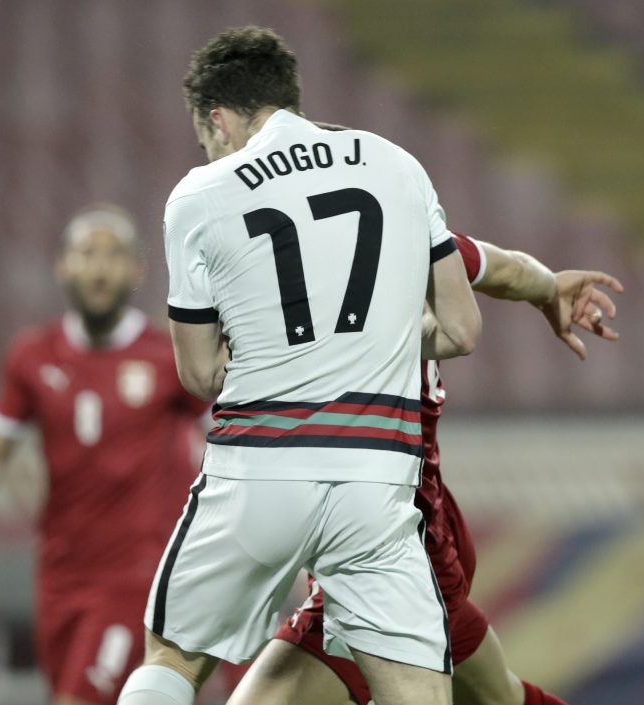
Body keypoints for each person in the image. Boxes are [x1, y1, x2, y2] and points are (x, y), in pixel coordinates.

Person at [117, 26, 481, 705]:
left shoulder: (200, 194)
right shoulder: (397, 165)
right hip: (375, 477)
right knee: (418, 692)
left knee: (174, 656)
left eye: (206, 136)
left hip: (259, 469)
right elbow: (461, 329)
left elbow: (198, 375)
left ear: (218, 119)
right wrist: (374, 341)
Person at [228, 232, 622, 705]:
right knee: (498, 696)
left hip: (390, 555)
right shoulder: (401, 234)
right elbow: (500, 268)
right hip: (410, 536)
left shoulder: (318, 278)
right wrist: (547, 286)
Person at [0, 204, 207, 705]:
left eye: (114, 255)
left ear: (137, 270)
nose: (100, 267)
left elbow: (222, 428)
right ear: (63, 266)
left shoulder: (166, 355)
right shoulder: (33, 355)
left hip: (135, 575)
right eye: (87, 253)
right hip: (60, 572)